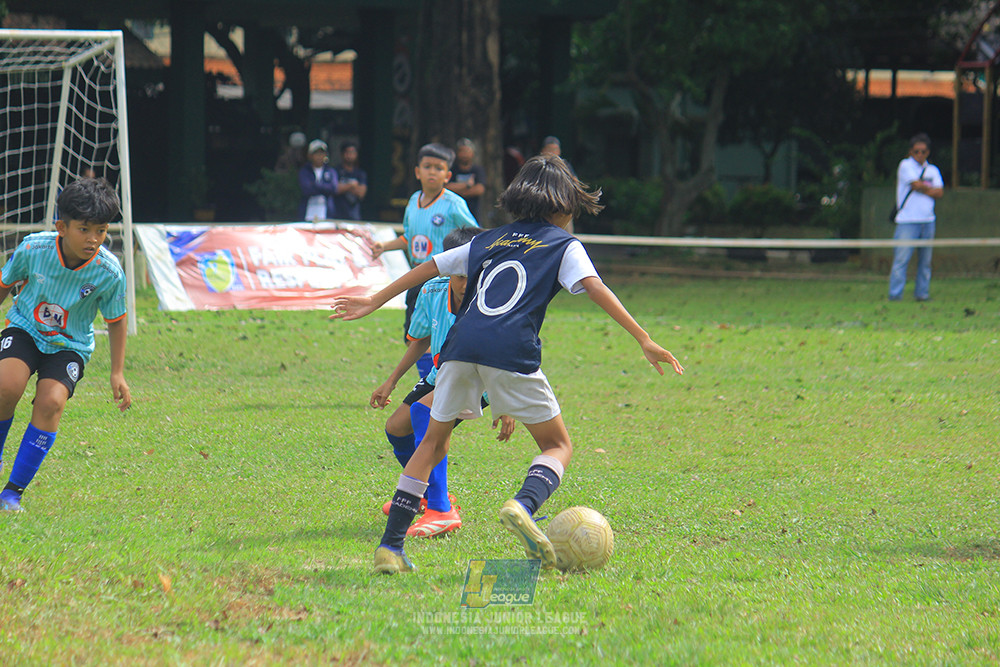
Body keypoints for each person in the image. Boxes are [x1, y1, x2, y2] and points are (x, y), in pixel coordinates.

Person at [332, 154, 685, 574]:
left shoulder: (488, 240)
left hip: (459, 347)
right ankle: (522, 505)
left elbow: (429, 268)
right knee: (558, 446)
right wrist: (643, 338)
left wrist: (374, 299)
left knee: (432, 444)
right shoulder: (563, 245)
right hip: (510, 348)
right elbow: (594, 287)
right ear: (564, 205)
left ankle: (390, 546)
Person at [370, 227, 515, 538]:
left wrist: (506, 403)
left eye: (471, 275)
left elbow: (507, 350)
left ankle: (440, 508)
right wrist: (391, 381)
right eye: (458, 275)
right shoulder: (431, 290)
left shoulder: (492, 297)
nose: (464, 283)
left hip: (481, 379)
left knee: (425, 414)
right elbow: (420, 339)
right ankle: (422, 492)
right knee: (396, 428)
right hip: (441, 376)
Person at [0, 178, 132, 511]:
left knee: (52, 402)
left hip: (69, 346)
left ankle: (12, 493)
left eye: (101, 231)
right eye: (84, 229)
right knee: (6, 386)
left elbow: (116, 322)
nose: (93, 239)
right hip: (25, 329)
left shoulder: (109, 272)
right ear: (62, 226)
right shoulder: (34, 249)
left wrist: (117, 373)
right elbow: (4, 284)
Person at [371, 143, 478, 378]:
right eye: (427, 166)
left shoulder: (454, 203)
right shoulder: (412, 202)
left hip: (442, 282)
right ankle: (430, 384)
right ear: (417, 171)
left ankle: (435, 388)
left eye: (439, 168)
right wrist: (384, 247)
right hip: (416, 281)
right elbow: (410, 237)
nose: (432, 172)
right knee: (414, 337)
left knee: (437, 336)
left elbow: (473, 236)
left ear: (448, 175)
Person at [888, 133, 944, 302]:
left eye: (923, 151)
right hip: (907, 222)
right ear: (910, 152)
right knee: (901, 260)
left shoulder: (933, 170)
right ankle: (895, 295)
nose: (920, 155)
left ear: (928, 152)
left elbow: (940, 192)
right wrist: (929, 188)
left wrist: (923, 188)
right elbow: (915, 185)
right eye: (916, 151)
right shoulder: (905, 165)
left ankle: (922, 294)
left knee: (925, 262)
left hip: (928, 221)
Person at [446, 138, 487, 221]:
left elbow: (479, 189)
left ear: (472, 153)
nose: (464, 154)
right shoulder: (452, 170)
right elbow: (446, 187)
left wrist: (458, 192)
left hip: (473, 214)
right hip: (453, 214)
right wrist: (467, 185)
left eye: (467, 151)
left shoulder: (477, 170)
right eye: (462, 151)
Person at [298, 139, 339, 221]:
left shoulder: (331, 171)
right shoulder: (304, 171)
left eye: (321, 153)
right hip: (308, 212)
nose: (319, 156)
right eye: (316, 153)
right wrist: (324, 187)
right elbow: (306, 189)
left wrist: (315, 185)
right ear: (310, 155)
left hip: (327, 213)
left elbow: (333, 188)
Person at [333, 140, 368, 221]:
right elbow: (335, 189)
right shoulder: (335, 171)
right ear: (342, 154)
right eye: (348, 152)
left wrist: (344, 187)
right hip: (338, 214)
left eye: (353, 153)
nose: (350, 155)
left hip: (354, 215)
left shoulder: (360, 173)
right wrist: (352, 185)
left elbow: (361, 193)